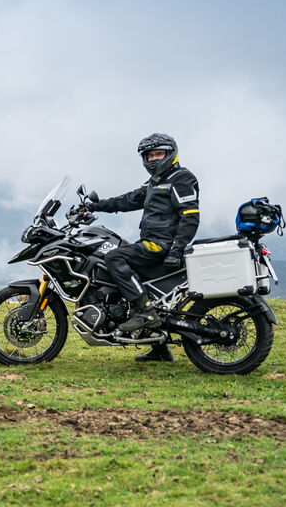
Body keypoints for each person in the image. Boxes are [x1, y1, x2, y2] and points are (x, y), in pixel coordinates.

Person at [85, 133, 200, 362]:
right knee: (129, 267)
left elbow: (190, 217)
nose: (154, 159)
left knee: (114, 258)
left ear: (170, 154)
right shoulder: (156, 182)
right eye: (149, 155)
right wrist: (96, 206)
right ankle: (159, 348)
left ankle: (145, 313)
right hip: (151, 241)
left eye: (159, 154)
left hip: (161, 245)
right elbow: (128, 200)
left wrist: (176, 249)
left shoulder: (181, 178)